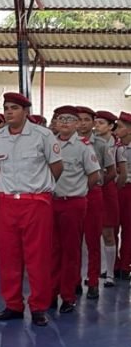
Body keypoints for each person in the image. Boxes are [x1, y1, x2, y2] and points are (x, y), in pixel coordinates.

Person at [0, 92, 62, 327]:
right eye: (6, 108)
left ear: (25, 111)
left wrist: (39, 189)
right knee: (8, 256)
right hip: (7, 202)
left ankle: (39, 306)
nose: (8, 112)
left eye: (14, 108)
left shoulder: (43, 136)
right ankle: (13, 304)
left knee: (37, 256)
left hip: (36, 202)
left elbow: (57, 167)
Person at [51, 106, 100, 314]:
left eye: (70, 120)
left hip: (73, 202)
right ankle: (51, 294)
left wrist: (78, 191)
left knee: (71, 250)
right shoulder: (49, 144)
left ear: (77, 125)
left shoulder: (83, 147)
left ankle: (68, 296)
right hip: (51, 202)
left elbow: (94, 176)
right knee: (52, 251)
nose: (64, 123)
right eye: (61, 119)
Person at [76, 106, 116, 299]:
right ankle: (73, 280)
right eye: (79, 119)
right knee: (73, 241)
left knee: (93, 240)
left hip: (93, 194)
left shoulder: (101, 145)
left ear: (92, 123)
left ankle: (93, 282)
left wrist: (97, 184)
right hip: (73, 195)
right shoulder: (65, 142)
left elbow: (112, 172)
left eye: (86, 120)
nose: (82, 123)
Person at [94, 110, 120, 285]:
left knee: (108, 231)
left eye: (101, 123)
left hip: (108, 188)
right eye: (96, 122)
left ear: (111, 126)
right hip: (92, 188)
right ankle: (98, 270)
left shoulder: (116, 146)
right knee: (91, 232)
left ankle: (110, 273)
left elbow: (116, 171)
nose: (97, 126)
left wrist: (103, 179)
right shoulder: (91, 143)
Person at [115, 112, 131, 279]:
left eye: (119, 127)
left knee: (128, 228)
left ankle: (125, 264)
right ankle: (114, 263)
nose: (116, 129)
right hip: (115, 188)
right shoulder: (114, 146)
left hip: (129, 189)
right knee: (111, 227)